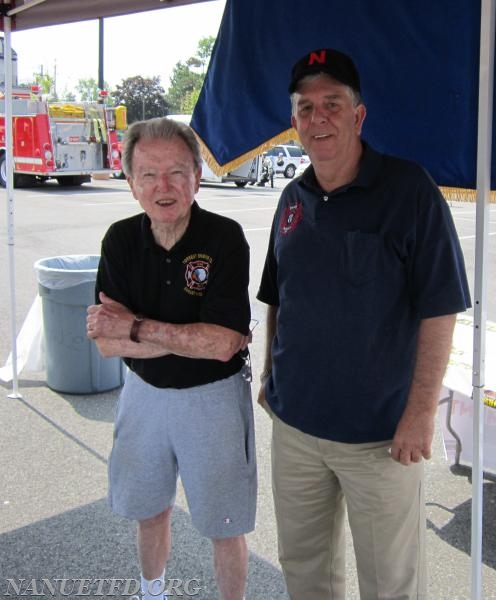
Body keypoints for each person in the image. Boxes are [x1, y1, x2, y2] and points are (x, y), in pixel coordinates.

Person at [257, 48, 471, 600]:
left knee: (390, 583)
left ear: (359, 115)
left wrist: (421, 413)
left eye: (333, 104)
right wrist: (268, 375)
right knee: (303, 571)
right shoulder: (292, 198)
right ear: (294, 121)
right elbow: (278, 296)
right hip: (297, 429)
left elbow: (440, 307)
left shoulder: (409, 192)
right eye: (306, 108)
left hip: (381, 437)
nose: (318, 118)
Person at [86, 117, 256, 600]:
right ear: (132, 183)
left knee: (225, 523)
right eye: (149, 174)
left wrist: (136, 327)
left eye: (178, 172)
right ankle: (152, 592)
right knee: (149, 509)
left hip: (214, 399)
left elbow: (222, 344)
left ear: (197, 177)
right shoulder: (119, 240)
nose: (165, 186)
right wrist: (190, 336)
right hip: (143, 395)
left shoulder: (224, 237)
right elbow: (107, 342)